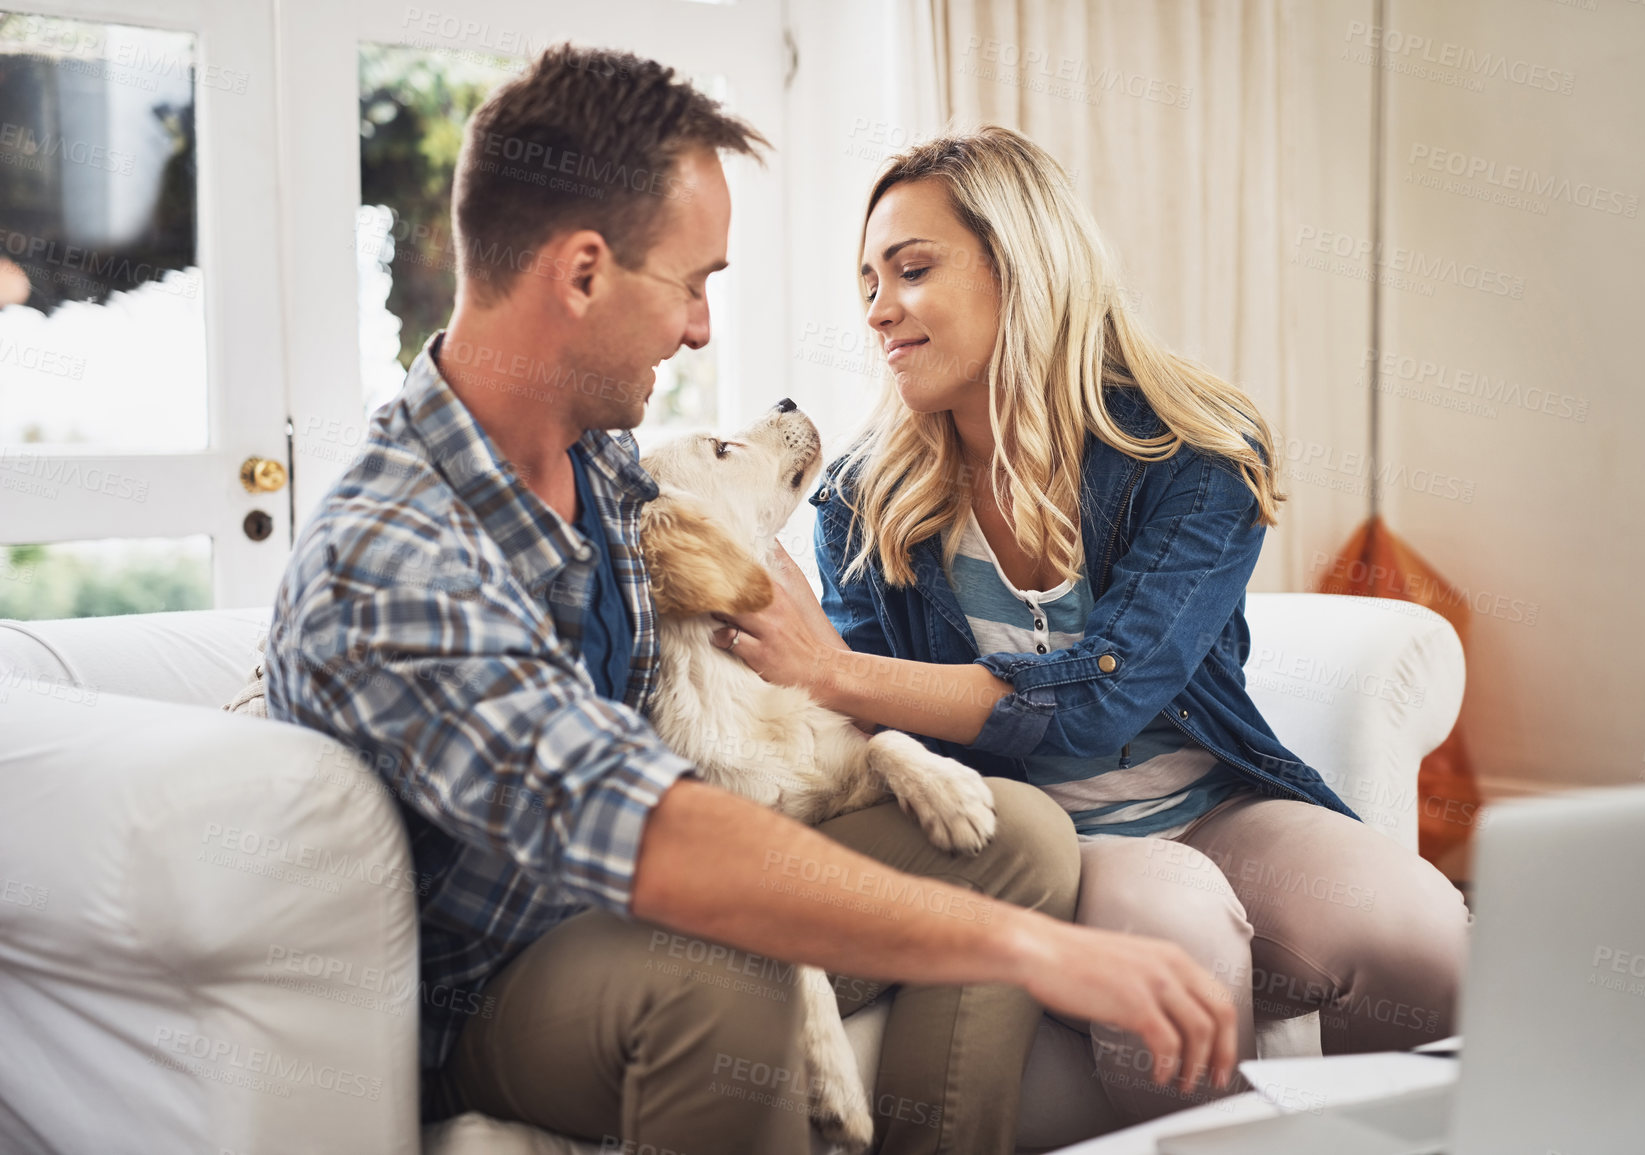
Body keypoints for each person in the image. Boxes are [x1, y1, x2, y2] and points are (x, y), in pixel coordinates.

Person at [265, 48, 1237, 1155]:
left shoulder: (606, 470)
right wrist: (1037, 951)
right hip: (500, 975)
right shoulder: (397, 561)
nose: (700, 330)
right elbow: (644, 829)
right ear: (582, 273)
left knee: (1018, 833)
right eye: (693, 283)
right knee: (728, 980)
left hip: (637, 894)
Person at [713, 126, 1471, 1124]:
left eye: (911, 270)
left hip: (1214, 800)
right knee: (1179, 939)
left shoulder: (1194, 453)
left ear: (1020, 267)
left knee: (1429, 937)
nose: (877, 311)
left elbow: (1105, 698)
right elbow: (896, 747)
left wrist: (837, 672)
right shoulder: (864, 499)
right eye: (867, 281)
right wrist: (821, 678)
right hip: (1046, 835)